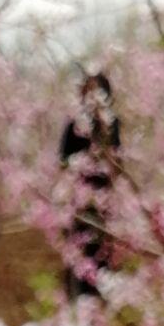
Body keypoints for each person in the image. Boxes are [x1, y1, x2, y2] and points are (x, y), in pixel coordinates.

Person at [59, 71, 122, 300]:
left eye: (98, 90)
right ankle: (78, 296)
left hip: (103, 198)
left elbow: (117, 160)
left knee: (101, 247)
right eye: (89, 90)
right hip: (79, 198)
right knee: (78, 248)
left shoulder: (111, 123)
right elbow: (63, 160)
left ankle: (100, 296)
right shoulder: (74, 124)